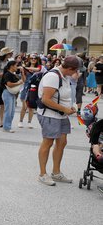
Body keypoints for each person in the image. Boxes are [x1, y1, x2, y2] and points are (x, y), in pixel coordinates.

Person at [36, 55, 80, 186]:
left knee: (62, 142)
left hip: (61, 114)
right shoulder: (53, 76)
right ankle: (43, 174)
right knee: (48, 142)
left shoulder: (64, 76)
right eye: (76, 70)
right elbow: (45, 99)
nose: (76, 73)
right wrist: (64, 109)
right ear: (70, 68)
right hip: (50, 115)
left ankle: (56, 173)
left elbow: (62, 95)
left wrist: (68, 107)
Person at [18, 54, 43, 128]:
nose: (33, 59)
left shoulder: (39, 67)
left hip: (34, 88)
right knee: (24, 106)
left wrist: (25, 67)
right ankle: (20, 121)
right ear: (29, 59)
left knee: (31, 106)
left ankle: (29, 122)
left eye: (35, 58)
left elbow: (38, 70)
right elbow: (24, 79)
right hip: (26, 87)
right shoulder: (25, 68)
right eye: (32, 58)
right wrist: (22, 72)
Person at [1, 60, 24, 133]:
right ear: (11, 66)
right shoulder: (7, 74)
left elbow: (23, 80)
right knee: (8, 110)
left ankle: (8, 126)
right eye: (16, 65)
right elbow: (9, 84)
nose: (17, 67)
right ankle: (6, 127)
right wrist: (18, 83)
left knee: (12, 111)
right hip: (7, 92)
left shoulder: (13, 74)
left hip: (12, 93)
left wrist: (22, 72)